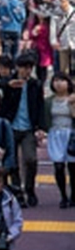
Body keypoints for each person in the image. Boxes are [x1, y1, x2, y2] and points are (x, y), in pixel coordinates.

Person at [0, 51, 46, 204]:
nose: (26, 71)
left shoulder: (35, 85)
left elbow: (40, 106)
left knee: (31, 159)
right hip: (11, 126)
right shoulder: (10, 82)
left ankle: (30, 189)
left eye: (29, 68)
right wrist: (9, 85)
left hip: (28, 128)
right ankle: (17, 190)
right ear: (17, 68)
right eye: (23, 67)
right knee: (12, 162)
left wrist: (41, 127)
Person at [47, 70, 74, 207]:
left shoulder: (73, 98)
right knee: (58, 166)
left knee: (72, 167)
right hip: (55, 135)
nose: (58, 83)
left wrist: (71, 104)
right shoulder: (49, 101)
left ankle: (73, 195)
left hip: (71, 135)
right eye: (55, 80)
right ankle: (63, 195)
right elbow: (45, 118)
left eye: (61, 80)